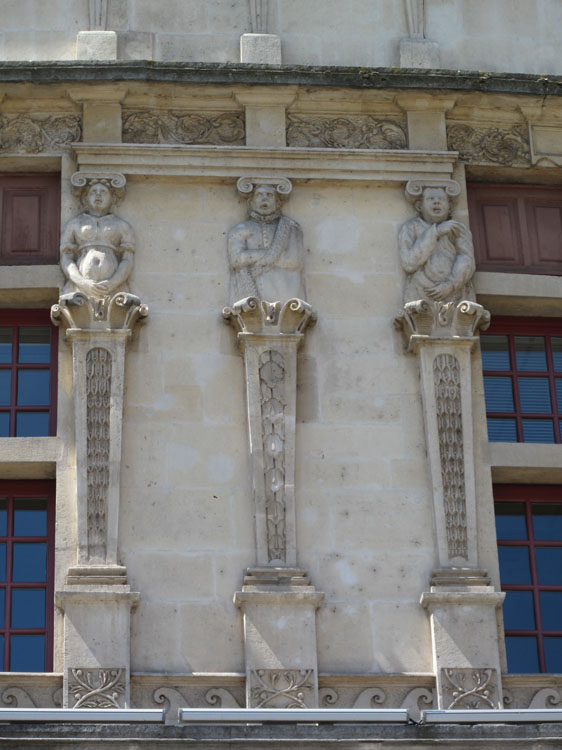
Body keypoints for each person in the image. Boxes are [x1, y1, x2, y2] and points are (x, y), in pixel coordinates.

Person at [227, 184, 306, 304]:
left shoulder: (291, 227)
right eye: (259, 195)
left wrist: (252, 256)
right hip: (251, 289)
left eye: (269, 195)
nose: (265, 199)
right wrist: (273, 254)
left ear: (278, 202)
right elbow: (236, 259)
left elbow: (294, 260)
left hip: (286, 290)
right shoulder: (240, 229)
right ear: (251, 202)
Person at [398, 186, 475, 306]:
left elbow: (466, 259)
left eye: (441, 199)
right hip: (420, 290)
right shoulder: (411, 228)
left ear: (449, 206)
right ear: (419, 206)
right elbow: (409, 263)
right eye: (430, 198)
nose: (436, 201)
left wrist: (450, 285)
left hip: (455, 293)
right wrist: (436, 232)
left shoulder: (457, 228)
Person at [60, 179, 135, 301]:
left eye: (104, 192)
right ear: (85, 198)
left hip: (114, 288)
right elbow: (66, 259)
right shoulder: (74, 224)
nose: (98, 195)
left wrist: (113, 283)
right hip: (80, 286)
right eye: (93, 192)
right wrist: (83, 282)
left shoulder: (122, 225)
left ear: (112, 198)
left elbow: (127, 260)